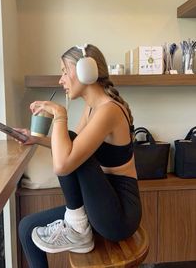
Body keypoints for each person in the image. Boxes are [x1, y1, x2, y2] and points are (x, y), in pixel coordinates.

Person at [18, 44, 142, 268]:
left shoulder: (109, 111)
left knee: (70, 137)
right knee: (27, 227)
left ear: (85, 70)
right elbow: (69, 150)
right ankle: (77, 226)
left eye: (65, 71)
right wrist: (36, 139)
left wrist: (59, 114)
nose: (61, 79)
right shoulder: (92, 108)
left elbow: (63, 163)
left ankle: (78, 228)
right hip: (99, 200)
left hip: (119, 215)